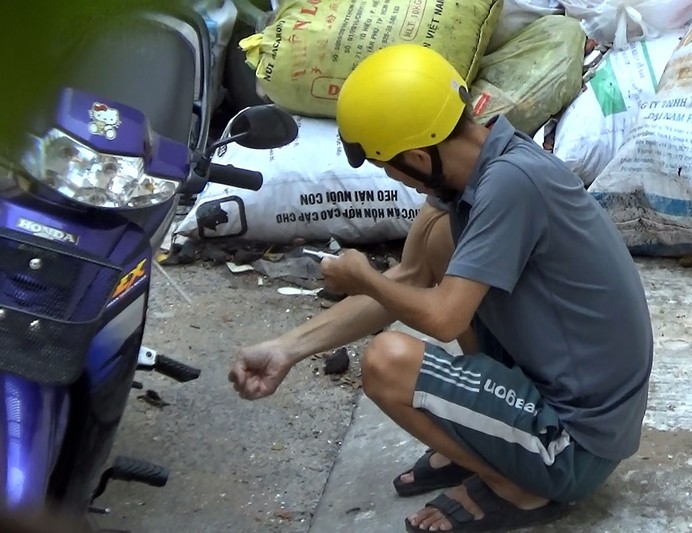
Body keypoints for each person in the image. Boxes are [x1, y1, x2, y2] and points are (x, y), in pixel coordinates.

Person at [230, 44, 653, 532]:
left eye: (389, 165)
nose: (396, 179)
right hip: (567, 394)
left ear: (416, 155)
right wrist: (286, 348)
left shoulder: (512, 185)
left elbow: (443, 317)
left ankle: (518, 484)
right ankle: (483, 439)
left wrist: (361, 275)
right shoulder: (481, 167)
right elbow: (407, 280)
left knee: (388, 363)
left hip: (575, 443)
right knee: (439, 243)